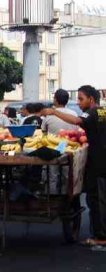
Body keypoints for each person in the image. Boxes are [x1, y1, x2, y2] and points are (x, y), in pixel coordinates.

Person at [40, 85, 106, 246]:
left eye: (81, 99)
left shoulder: (90, 113)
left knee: (96, 200)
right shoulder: (103, 112)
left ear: (91, 99)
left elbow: (77, 121)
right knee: (102, 198)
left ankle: (101, 236)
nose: (78, 102)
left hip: (97, 163)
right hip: (102, 161)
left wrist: (54, 111)